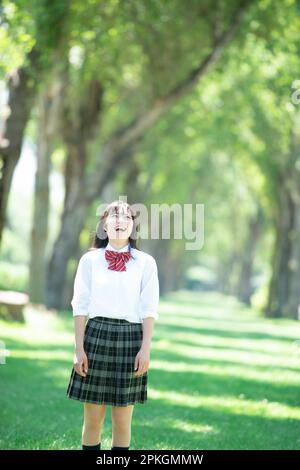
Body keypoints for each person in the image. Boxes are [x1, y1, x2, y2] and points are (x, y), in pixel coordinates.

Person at [66, 200, 160, 451]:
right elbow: (80, 306)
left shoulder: (146, 263)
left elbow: (149, 309)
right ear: (104, 226)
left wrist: (145, 349)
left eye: (127, 218)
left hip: (131, 340)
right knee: (93, 419)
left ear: (133, 227)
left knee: (122, 420)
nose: (120, 221)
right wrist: (79, 349)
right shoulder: (89, 260)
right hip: (96, 337)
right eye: (114, 217)